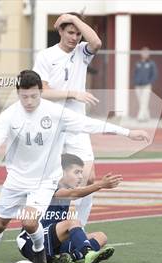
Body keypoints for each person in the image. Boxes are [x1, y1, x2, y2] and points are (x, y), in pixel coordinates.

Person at [0, 70, 149, 263]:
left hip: (44, 181)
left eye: (34, 96)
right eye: (24, 96)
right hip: (15, 179)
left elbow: (91, 124)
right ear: (18, 93)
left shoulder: (55, 113)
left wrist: (128, 133)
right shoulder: (9, 115)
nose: (29, 101)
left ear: (40, 92)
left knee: (29, 222)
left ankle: (40, 254)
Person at [33, 12, 102, 228]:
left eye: (78, 34)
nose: (74, 38)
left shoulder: (82, 52)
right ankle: (44, 230)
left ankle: (77, 232)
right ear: (60, 31)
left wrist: (72, 17)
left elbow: (97, 42)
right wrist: (72, 93)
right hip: (52, 126)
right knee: (52, 180)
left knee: (89, 179)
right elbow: (41, 92)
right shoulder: (46, 56)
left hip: (77, 126)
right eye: (70, 32)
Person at [17, 153, 120, 263]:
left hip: (54, 241)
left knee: (101, 236)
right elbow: (74, 194)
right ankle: (88, 254)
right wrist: (100, 185)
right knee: (72, 222)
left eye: (81, 172)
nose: (81, 177)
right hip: (31, 242)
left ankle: (70, 257)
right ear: (61, 173)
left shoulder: (67, 194)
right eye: (77, 172)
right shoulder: (48, 187)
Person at [134, 47, 158, 122]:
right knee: (141, 102)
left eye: (146, 52)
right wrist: (135, 81)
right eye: (143, 52)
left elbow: (154, 74)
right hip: (138, 86)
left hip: (146, 86)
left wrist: (149, 82)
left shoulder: (151, 63)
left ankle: (140, 117)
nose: (144, 54)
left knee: (144, 101)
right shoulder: (138, 63)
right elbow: (135, 73)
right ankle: (147, 117)